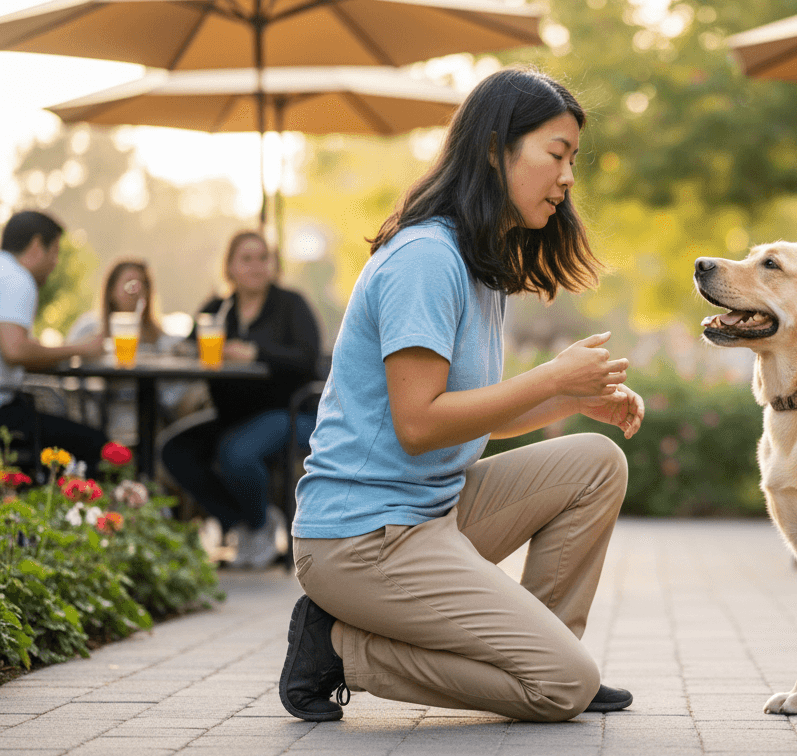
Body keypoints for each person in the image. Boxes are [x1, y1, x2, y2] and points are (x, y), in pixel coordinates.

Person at [281, 67, 644, 726]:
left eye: (573, 161)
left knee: (596, 461)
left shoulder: (480, 265)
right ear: (493, 150)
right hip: (362, 540)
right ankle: (339, 648)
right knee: (561, 688)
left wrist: (568, 403)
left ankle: (549, 654)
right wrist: (553, 379)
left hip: (430, 512)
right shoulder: (426, 259)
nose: (568, 178)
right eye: (555, 155)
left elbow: (462, 419)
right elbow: (419, 424)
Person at [160, 231, 321, 569]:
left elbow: (308, 359)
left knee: (236, 451)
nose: (256, 266)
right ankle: (246, 523)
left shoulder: (291, 304)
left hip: (289, 413)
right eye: (246, 259)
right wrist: (185, 349)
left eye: (262, 258)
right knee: (174, 450)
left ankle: (259, 524)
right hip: (232, 415)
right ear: (230, 267)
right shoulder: (217, 309)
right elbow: (192, 348)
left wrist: (254, 352)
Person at [0, 211, 107, 472]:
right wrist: (82, 348)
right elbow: (15, 350)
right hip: (3, 411)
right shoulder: (17, 279)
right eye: (55, 251)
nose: (56, 262)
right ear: (37, 246)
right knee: (99, 448)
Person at [68, 259, 193, 443]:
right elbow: (67, 373)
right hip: (95, 423)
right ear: (111, 290)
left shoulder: (161, 339)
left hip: (150, 425)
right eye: (129, 284)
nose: (136, 290)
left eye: (143, 285)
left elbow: (173, 393)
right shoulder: (89, 329)